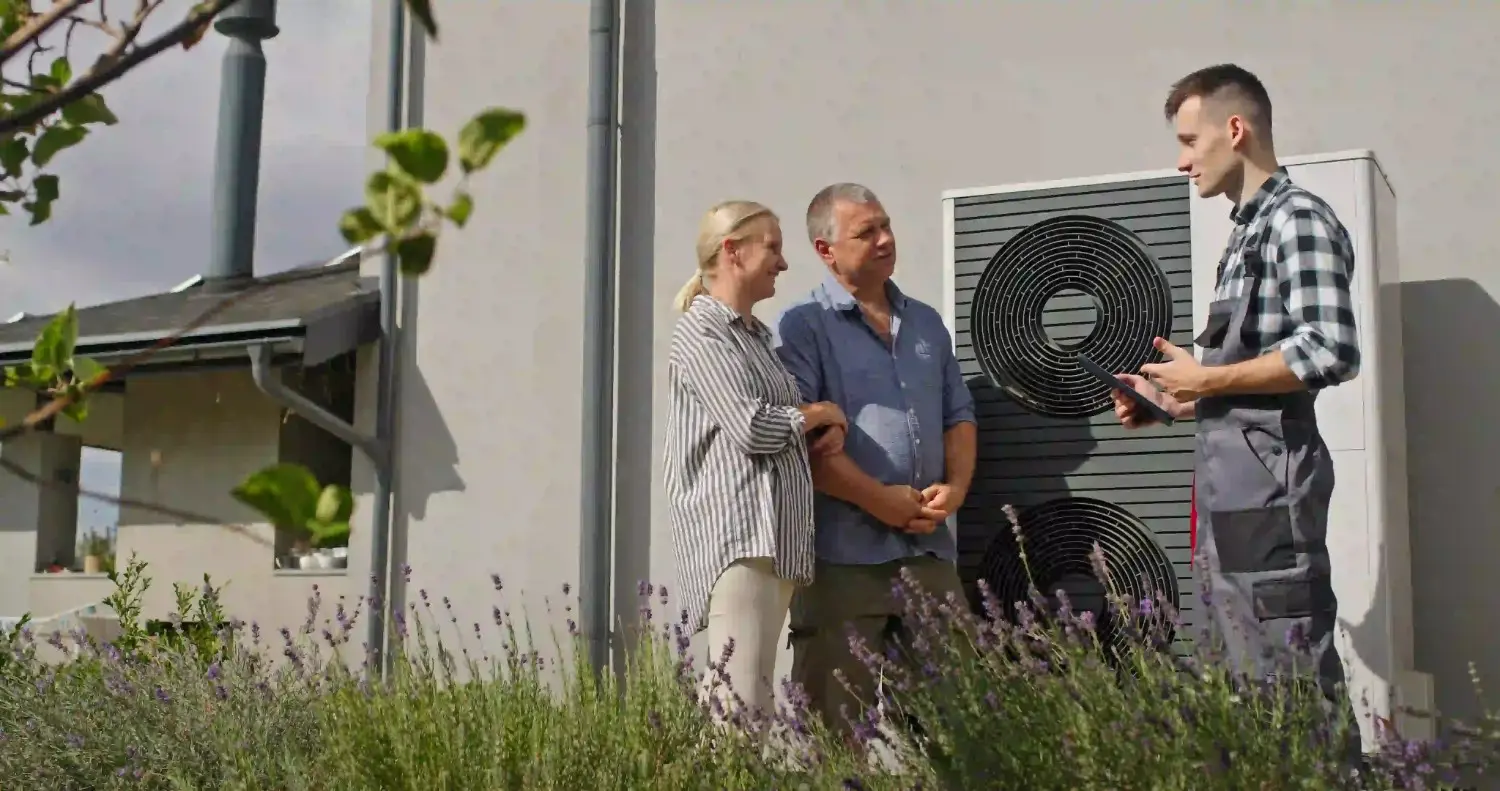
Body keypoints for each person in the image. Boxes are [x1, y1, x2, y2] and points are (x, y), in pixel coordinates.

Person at [1110, 65, 1361, 713]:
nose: (1180, 160)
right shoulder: (1245, 233)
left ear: (1235, 129)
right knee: (1247, 703)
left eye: (1190, 141)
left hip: (1272, 503)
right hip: (1232, 505)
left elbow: (1330, 347)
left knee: (1293, 699)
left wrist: (1207, 378)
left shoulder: (1296, 221)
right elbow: (1249, 378)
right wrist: (1171, 396)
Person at [774, 183, 977, 740]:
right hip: (844, 563)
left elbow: (959, 415)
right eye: (867, 232)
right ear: (826, 250)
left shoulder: (926, 323)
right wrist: (880, 501)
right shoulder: (802, 327)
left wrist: (955, 490)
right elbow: (804, 443)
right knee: (835, 736)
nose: (886, 239)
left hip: (928, 554)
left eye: (886, 225)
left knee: (957, 728)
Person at [663, 200, 848, 725]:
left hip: (774, 542)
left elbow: (781, 421)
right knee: (736, 708)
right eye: (773, 247)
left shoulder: (757, 339)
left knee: (755, 707)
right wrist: (818, 413)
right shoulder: (700, 332)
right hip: (738, 539)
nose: (783, 263)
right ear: (732, 251)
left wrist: (821, 424)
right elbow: (753, 427)